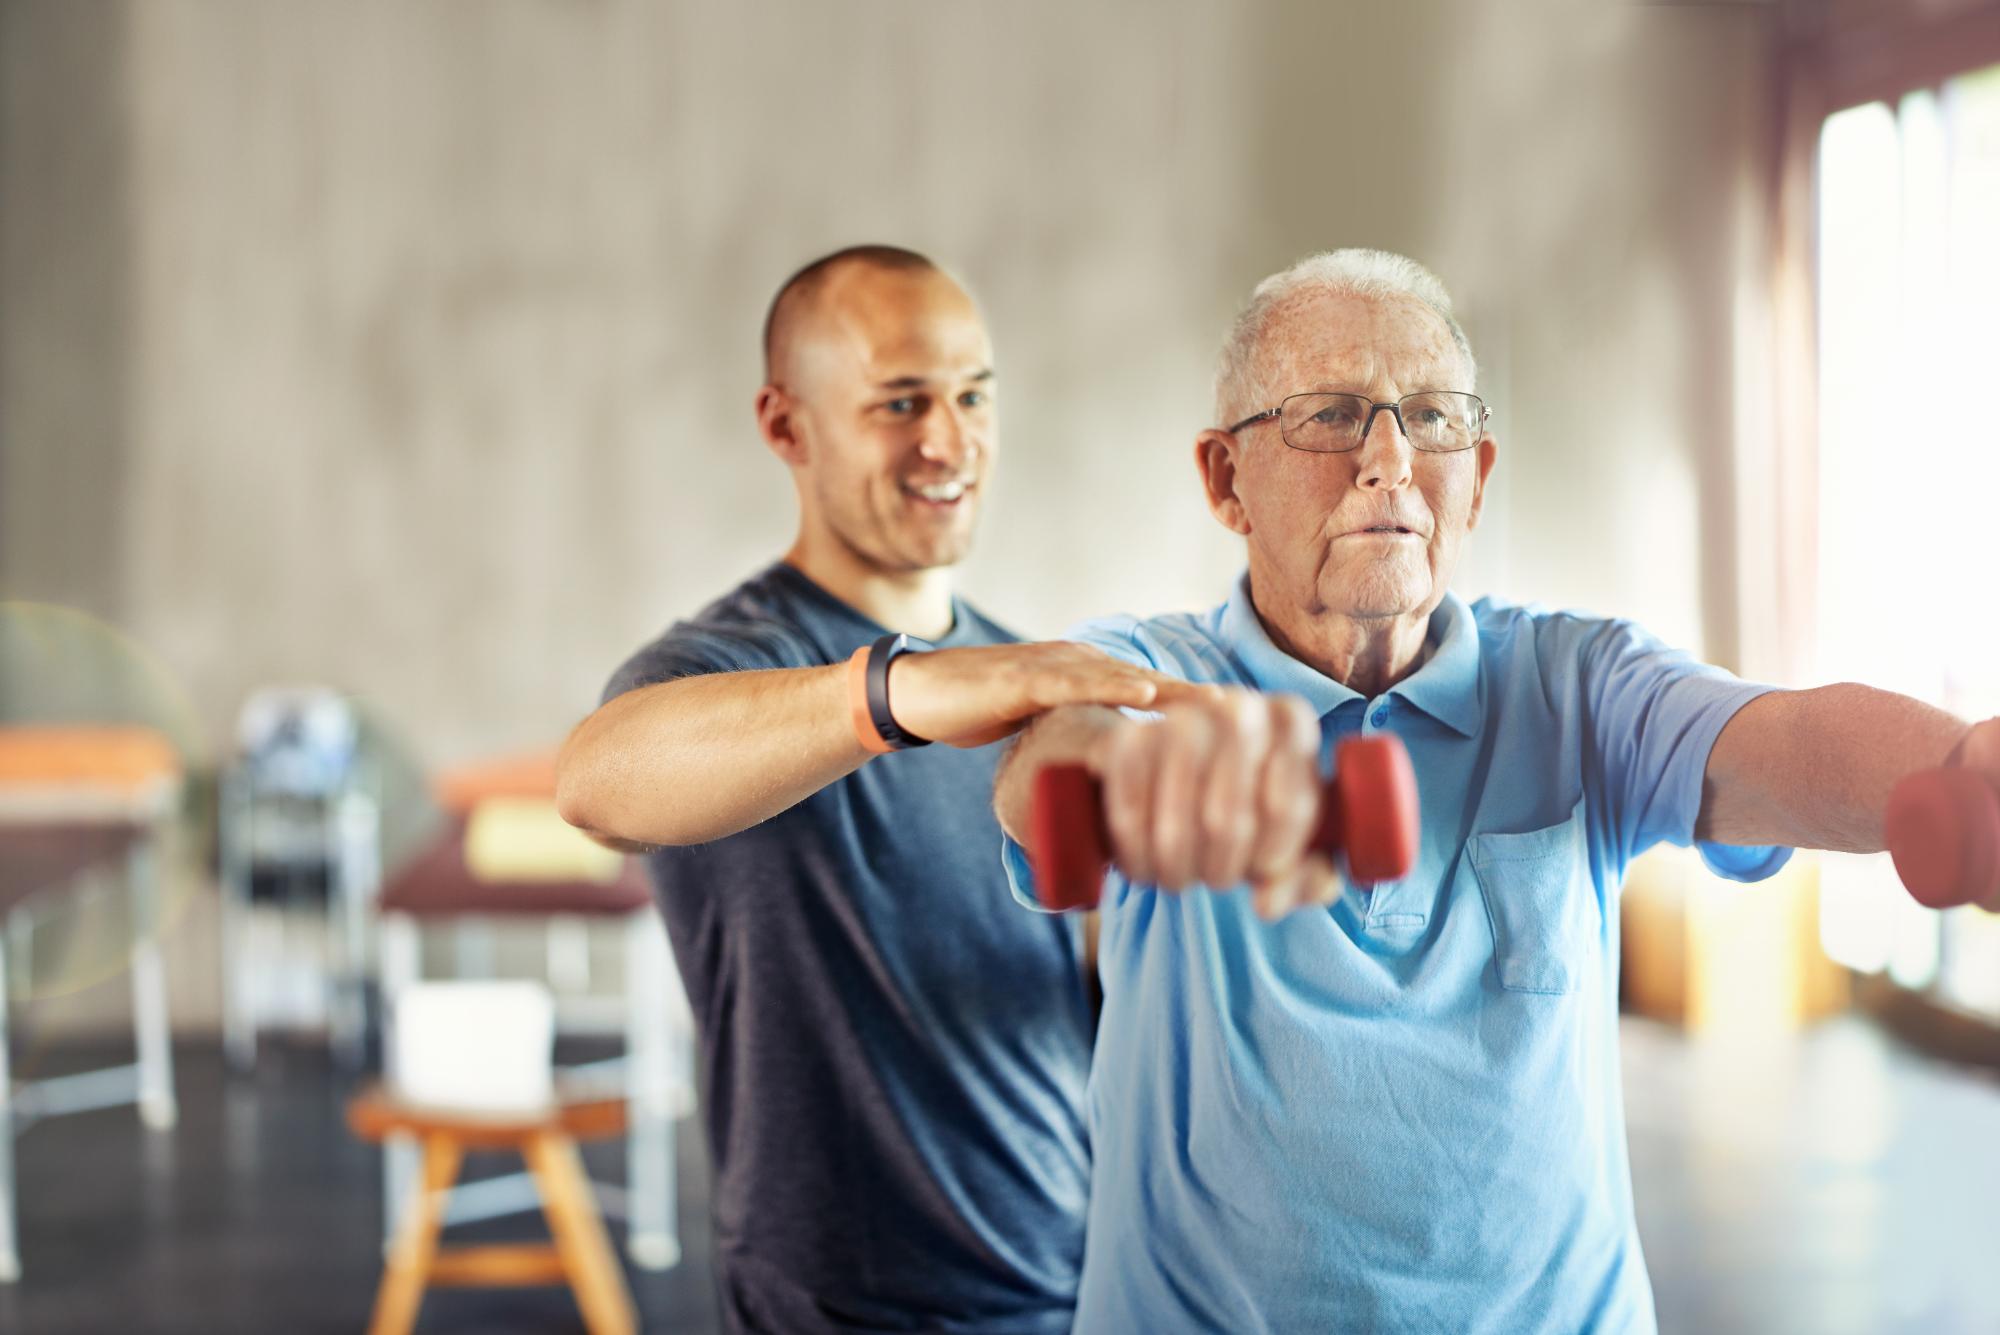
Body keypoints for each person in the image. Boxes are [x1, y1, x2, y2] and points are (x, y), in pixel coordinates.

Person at [992, 248, 2000, 1333]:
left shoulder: (1579, 686)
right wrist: (1126, 773)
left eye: (1429, 419)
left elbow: (1783, 740)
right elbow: (1060, 742)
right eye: (1329, 414)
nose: (1387, 460)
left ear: (1473, 476)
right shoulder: (1151, 668)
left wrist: (1957, 773)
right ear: (1222, 479)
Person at [556, 245, 1190, 1334]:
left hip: (1078, 1286)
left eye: (970, 394)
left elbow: (1057, 991)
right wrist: (891, 699)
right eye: (899, 402)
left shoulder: (1023, 676)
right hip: (848, 1311)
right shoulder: (726, 665)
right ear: (785, 426)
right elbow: (596, 780)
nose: (947, 441)